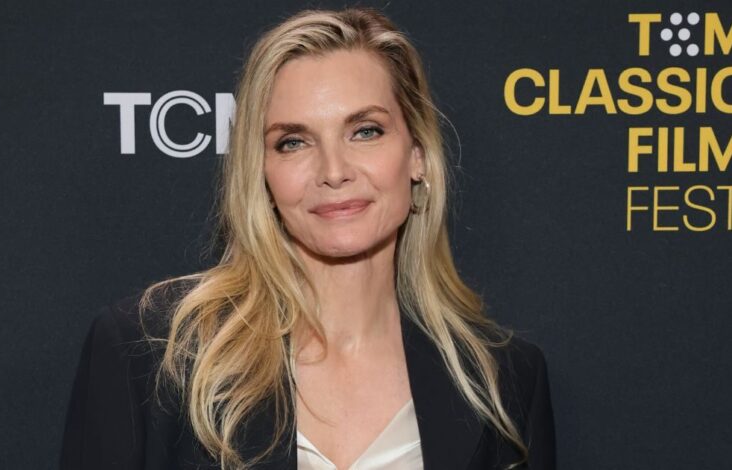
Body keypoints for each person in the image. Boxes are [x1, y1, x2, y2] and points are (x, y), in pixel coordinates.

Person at [60, 7, 555, 470]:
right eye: (293, 142)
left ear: (417, 155)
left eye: (365, 131)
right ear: (261, 171)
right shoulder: (151, 352)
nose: (333, 171)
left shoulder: (502, 380)